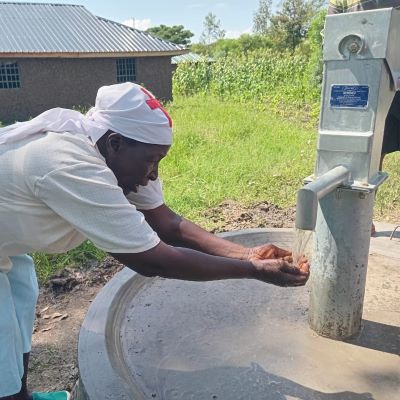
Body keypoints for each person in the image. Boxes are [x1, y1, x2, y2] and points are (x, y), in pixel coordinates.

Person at [0, 82, 309, 400]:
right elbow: (153, 259)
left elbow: (168, 224)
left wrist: (248, 255)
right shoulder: (70, 165)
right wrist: (255, 271)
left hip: (7, 241)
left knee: (19, 310)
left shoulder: (117, 155)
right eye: (152, 161)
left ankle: (20, 394)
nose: (153, 175)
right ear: (116, 143)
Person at [328, 0, 400, 234]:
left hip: (393, 71)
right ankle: (360, 218)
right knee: (368, 150)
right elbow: (333, 31)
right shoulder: (341, 0)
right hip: (365, 79)